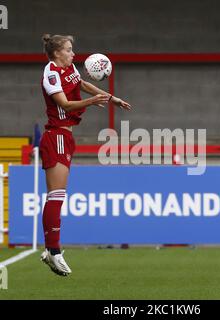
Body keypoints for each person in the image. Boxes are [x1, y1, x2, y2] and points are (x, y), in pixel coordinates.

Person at [39, 34, 131, 276]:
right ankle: (53, 250)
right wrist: (92, 102)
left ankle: (52, 250)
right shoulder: (50, 75)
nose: (73, 54)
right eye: (69, 50)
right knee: (56, 196)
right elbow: (66, 104)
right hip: (56, 135)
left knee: (58, 195)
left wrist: (111, 98)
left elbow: (82, 84)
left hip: (66, 137)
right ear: (57, 52)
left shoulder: (68, 68)